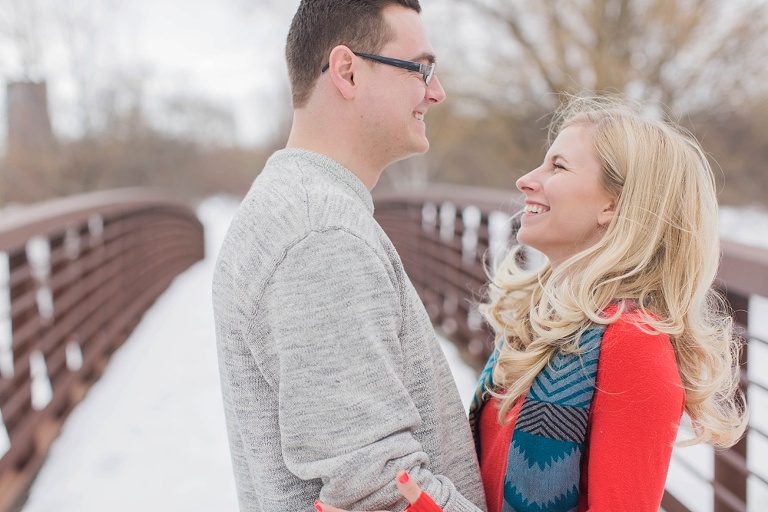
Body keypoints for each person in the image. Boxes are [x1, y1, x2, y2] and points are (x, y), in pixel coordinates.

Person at [317, 96, 749, 512]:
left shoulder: (633, 343)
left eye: (557, 166)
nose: (526, 179)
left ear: (613, 204)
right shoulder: (547, 322)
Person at [212, 1, 486, 511]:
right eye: (421, 68)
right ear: (347, 71)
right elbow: (385, 490)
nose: (436, 91)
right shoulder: (321, 236)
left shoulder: (292, 205)